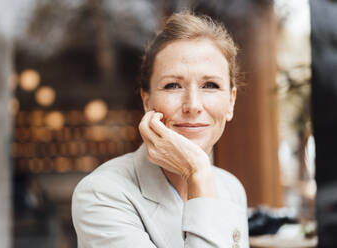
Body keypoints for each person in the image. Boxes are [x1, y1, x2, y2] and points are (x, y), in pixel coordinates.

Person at [72, 12, 249, 248]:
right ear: (147, 101)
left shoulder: (230, 188)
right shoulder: (101, 194)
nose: (193, 105)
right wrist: (197, 174)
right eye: (173, 85)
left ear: (231, 102)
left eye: (210, 85)